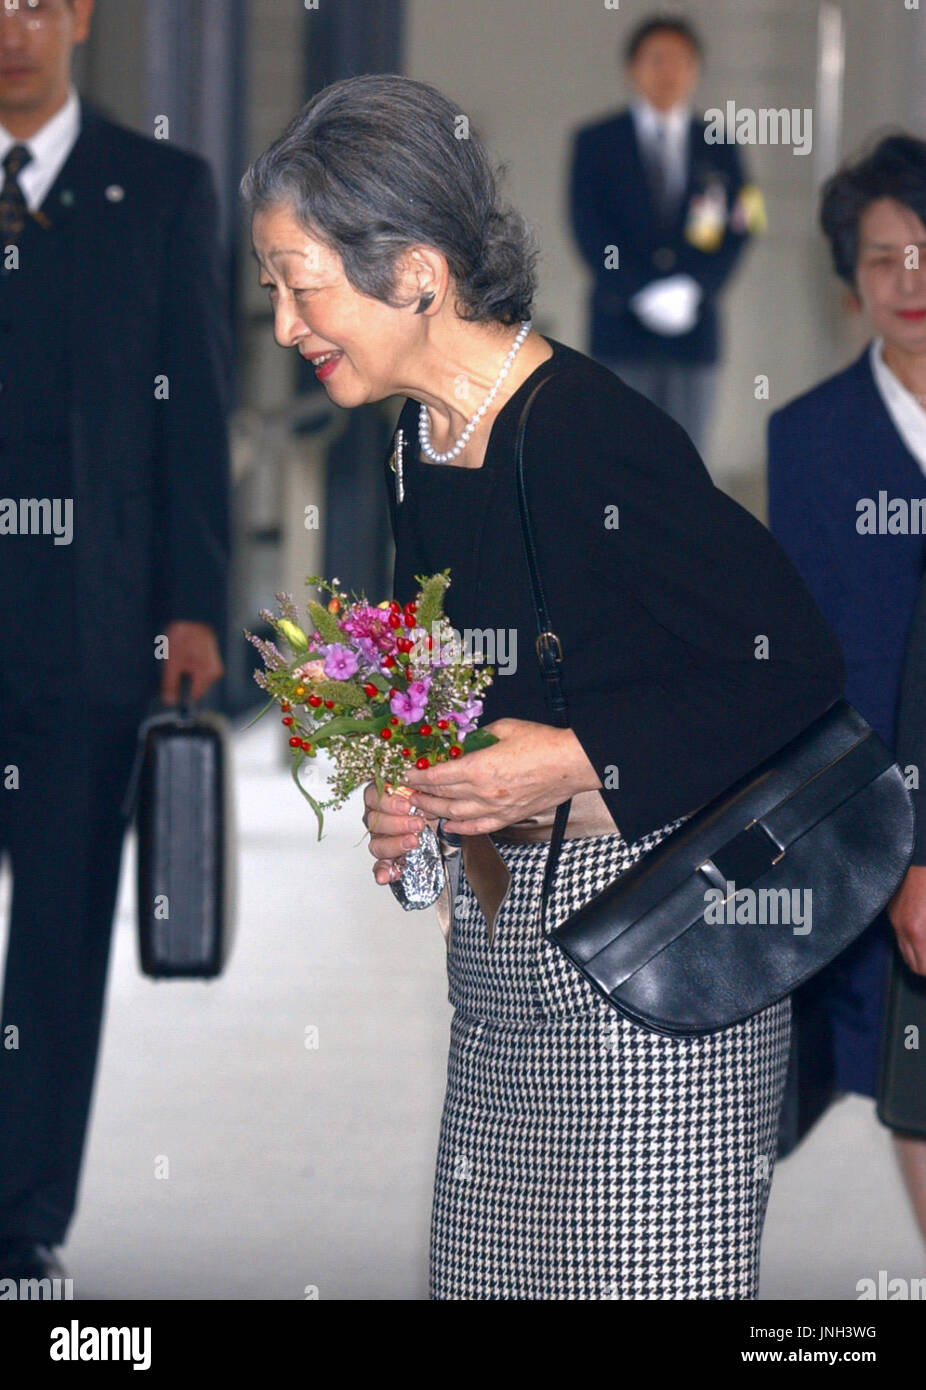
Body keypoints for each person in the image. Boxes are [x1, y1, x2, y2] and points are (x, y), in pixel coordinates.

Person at [243, 73, 844, 1300]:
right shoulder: (419, 439)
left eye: (299, 285)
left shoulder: (585, 434)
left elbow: (790, 669)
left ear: (414, 270)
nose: (283, 324)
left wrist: (567, 759)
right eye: (271, 288)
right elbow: (459, 690)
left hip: (658, 980)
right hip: (507, 959)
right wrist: (420, 794)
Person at [0, 0, 230, 1284]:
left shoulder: (159, 191)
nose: (13, 27)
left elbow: (192, 410)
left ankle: (19, 1216)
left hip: (86, 633)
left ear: (79, 17)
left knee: (59, 933)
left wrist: (192, 604)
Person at [768, 133, 926, 1240]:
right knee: (907, 1075)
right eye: (880, 259)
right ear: (847, 279)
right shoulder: (808, 439)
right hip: (882, 810)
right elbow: (806, 654)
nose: (906, 283)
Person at [569, 14, 762, 455]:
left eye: (681, 61)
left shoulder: (720, 143)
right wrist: (638, 291)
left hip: (695, 332)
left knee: (688, 460)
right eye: (657, 60)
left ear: (695, 70)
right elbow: (586, 224)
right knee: (618, 456)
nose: (669, 72)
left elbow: (745, 221)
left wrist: (696, 287)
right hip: (619, 325)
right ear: (632, 68)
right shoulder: (596, 141)